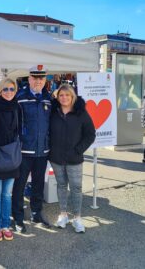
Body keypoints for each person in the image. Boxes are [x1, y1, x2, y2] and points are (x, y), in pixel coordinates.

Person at [49, 84, 95, 233]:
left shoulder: (81, 113)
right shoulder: (53, 112)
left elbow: (90, 134)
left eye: (67, 95)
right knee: (61, 186)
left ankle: (77, 217)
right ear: (57, 97)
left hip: (74, 158)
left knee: (76, 188)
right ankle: (63, 215)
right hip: (56, 157)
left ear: (72, 96)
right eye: (61, 95)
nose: (64, 98)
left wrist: (79, 150)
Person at [12, 65, 52, 233]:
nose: (38, 81)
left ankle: (36, 212)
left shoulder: (49, 99)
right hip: (24, 150)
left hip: (42, 150)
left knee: (38, 183)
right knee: (19, 185)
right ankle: (18, 218)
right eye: (35, 78)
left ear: (44, 80)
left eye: (41, 78)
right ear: (29, 79)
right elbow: (13, 123)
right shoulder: (19, 98)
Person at [0, 78, 20, 242]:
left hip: (12, 155)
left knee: (7, 194)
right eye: (6, 89)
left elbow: (19, 129)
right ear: (0, 90)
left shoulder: (17, 106)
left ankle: (6, 225)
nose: (9, 92)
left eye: (12, 89)